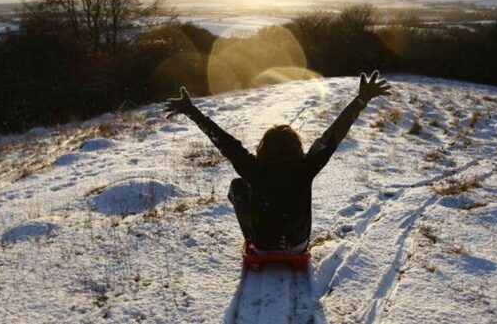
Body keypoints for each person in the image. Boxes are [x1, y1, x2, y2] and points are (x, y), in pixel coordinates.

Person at [165, 71, 391, 253]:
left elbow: (224, 141)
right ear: (296, 147)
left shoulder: (253, 169)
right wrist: (361, 100)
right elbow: (333, 135)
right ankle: (286, 238)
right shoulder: (307, 167)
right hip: (298, 245)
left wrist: (192, 112)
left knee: (238, 186)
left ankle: (252, 239)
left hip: (263, 247)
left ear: (264, 148)